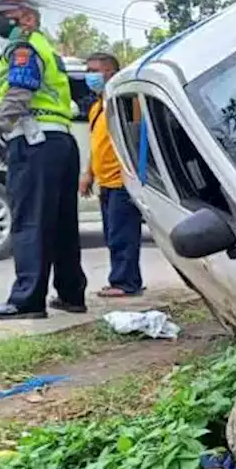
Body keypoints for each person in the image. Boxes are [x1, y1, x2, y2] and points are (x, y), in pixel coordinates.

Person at [0, 0, 87, 319]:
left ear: (28, 19)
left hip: (37, 143)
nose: (0, 21)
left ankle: (26, 300)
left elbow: (19, 95)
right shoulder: (48, 50)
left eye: (6, 15)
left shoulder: (24, 48)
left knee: (30, 220)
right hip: (59, 140)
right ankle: (71, 294)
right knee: (61, 223)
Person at [79, 52, 144, 297]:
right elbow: (98, 144)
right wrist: (88, 174)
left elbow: (135, 137)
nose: (91, 76)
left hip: (122, 180)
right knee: (112, 234)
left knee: (122, 235)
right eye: (88, 70)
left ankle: (126, 283)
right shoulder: (98, 107)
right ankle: (123, 279)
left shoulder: (124, 102)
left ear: (112, 73)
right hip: (105, 181)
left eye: (96, 70)